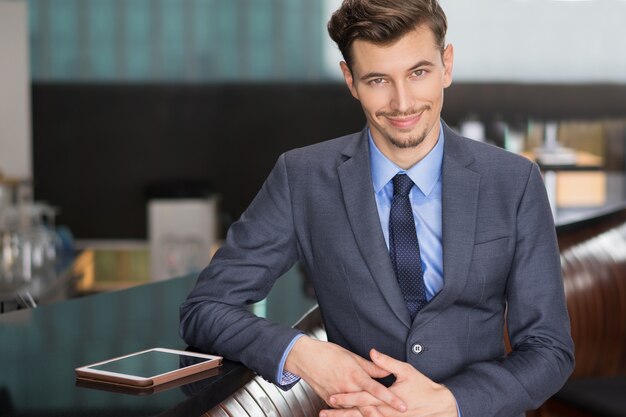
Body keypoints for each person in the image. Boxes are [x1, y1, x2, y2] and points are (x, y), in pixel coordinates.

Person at [180, 1, 575, 416]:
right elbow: (204, 309)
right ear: (350, 80)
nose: (402, 103)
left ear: (447, 65)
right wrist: (303, 354)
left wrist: (450, 403)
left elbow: (549, 349)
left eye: (418, 72)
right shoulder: (303, 178)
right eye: (377, 79)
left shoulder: (514, 181)